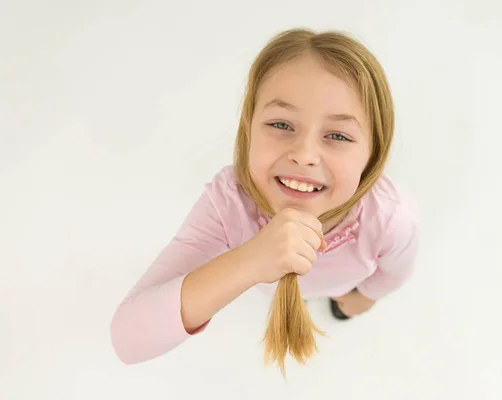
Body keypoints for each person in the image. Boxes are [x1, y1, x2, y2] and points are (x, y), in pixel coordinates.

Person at [110, 28, 420, 366]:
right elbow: (128, 341)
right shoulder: (227, 204)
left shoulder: (391, 217)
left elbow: (396, 271)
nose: (304, 155)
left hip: (338, 291)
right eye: (281, 125)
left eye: (337, 135)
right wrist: (249, 262)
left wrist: (364, 297)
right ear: (249, 128)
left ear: (372, 155)